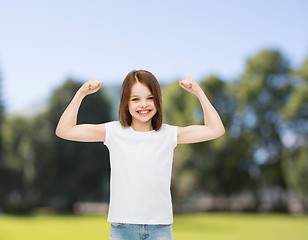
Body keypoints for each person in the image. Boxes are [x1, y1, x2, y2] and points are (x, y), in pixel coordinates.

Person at [55, 70, 225, 240]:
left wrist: (199, 92)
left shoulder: (168, 134)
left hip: (160, 228)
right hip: (123, 227)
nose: (144, 104)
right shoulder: (114, 132)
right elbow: (64, 130)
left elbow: (215, 129)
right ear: (125, 104)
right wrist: (81, 93)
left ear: (158, 101)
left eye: (150, 98)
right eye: (135, 99)